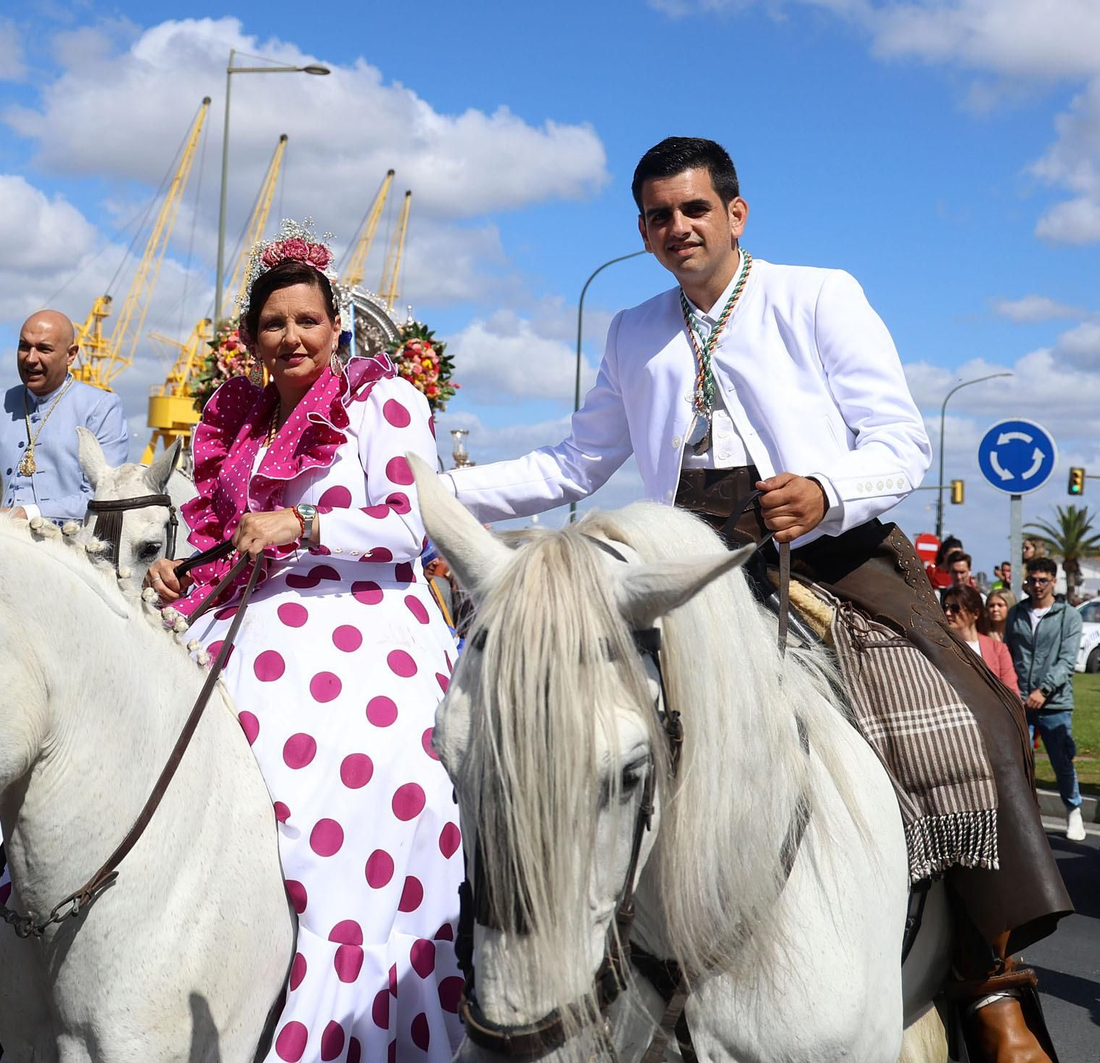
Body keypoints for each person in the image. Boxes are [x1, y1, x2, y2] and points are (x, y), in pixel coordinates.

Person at [439, 137, 1068, 1060]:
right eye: (658, 215)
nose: (677, 227)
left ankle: (992, 985)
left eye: (694, 209)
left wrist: (825, 488)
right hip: (684, 574)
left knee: (964, 713)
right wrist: (427, 492)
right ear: (643, 230)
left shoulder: (817, 294)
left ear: (735, 214)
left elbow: (899, 439)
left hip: (829, 554)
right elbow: (574, 464)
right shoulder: (633, 329)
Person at [148, 228, 465, 1061]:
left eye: (308, 321)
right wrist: (187, 567)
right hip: (246, 615)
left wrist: (307, 521)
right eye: (274, 323)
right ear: (251, 337)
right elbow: (231, 529)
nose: (291, 337)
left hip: (362, 622)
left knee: (395, 788)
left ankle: (353, 1001)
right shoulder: (240, 418)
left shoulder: (383, 402)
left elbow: (408, 524)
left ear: (337, 329)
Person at [0, 309, 128, 522]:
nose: (30, 359)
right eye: (24, 347)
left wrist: (28, 513)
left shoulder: (101, 407)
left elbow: (103, 494)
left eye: (44, 349)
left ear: (71, 355)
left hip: (65, 546)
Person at [1006, 558, 1086, 843]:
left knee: (1062, 761)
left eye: (1043, 580)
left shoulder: (1068, 616)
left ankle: (1074, 809)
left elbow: (1066, 661)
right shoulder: (1016, 613)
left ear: (1054, 581)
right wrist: (1015, 691)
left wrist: (1045, 690)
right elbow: (1009, 654)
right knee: (1020, 762)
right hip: (1020, 701)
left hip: (1055, 703)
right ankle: (1026, 816)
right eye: (1032, 580)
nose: (1037, 585)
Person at [944, 586, 1018, 692]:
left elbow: (1012, 692)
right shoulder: (941, 647)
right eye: (945, 607)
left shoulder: (998, 649)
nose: (948, 613)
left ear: (975, 613)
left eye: (955, 608)